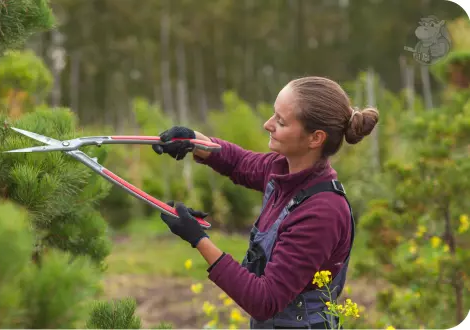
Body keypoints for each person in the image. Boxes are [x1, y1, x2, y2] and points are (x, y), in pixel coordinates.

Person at [152, 76, 379, 329]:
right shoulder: (282, 170)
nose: (267, 124)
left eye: (280, 122)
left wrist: (198, 239)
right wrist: (193, 140)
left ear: (315, 138)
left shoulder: (322, 212)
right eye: (274, 115)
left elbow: (265, 300)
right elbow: (238, 162)